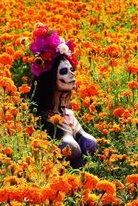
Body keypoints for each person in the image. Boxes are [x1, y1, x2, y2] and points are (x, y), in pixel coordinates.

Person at [29, 23, 97, 168]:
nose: (72, 74)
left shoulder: (69, 114)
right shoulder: (41, 118)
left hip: (82, 186)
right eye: (64, 71)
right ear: (50, 78)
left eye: (72, 70)